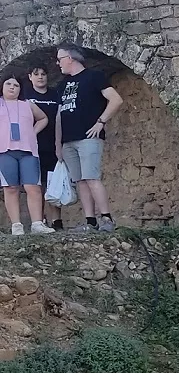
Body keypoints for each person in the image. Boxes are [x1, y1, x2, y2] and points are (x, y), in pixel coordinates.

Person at [55, 45, 123, 232]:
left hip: (88, 137)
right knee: (80, 181)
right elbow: (59, 116)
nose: (57, 63)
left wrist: (101, 122)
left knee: (91, 177)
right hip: (68, 140)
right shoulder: (62, 85)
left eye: (59, 59)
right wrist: (58, 144)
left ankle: (107, 219)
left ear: (70, 58)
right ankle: (90, 221)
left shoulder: (95, 77)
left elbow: (116, 99)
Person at [0, 76, 52, 236]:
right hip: (4, 151)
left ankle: (37, 223)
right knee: (10, 188)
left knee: (33, 188)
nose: (12, 87)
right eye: (8, 84)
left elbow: (43, 118)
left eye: (16, 85)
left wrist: (33, 132)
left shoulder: (28, 104)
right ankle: (16, 225)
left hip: (28, 151)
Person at [24, 65, 63, 231]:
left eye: (43, 74)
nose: (40, 77)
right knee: (36, 185)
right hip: (32, 146)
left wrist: (60, 143)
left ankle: (57, 221)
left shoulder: (55, 94)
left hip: (53, 144)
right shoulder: (25, 95)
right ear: (30, 77)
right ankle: (39, 221)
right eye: (36, 74)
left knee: (54, 183)